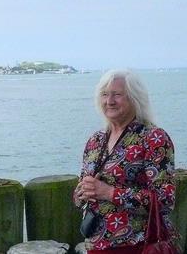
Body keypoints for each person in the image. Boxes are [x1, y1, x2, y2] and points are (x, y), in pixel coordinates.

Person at [73, 69, 177, 254]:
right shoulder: (95, 141)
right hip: (97, 244)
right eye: (104, 94)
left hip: (139, 245)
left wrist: (109, 192)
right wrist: (83, 192)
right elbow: (78, 197)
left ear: (135, 98)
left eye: (117, 94)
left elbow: (165, 200)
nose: (109, 101)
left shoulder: (153, 138)